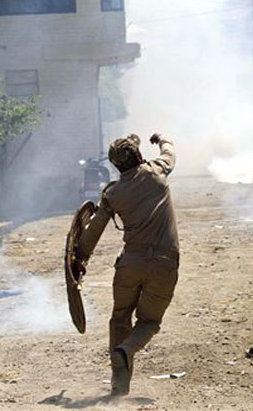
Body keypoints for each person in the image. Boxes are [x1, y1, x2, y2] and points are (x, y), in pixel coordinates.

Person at [75, 133, 179, 396]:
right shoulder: (157, 172)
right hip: (163, 264)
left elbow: (94, 230)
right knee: (149, 321)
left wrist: (79, 260)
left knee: (119, 318)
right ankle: (126, 350)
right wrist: (164, 138)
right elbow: (170, 153)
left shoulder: (112, 193)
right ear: (139, 156)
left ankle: (119, 386)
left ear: (115, 165)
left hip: (129, 264)